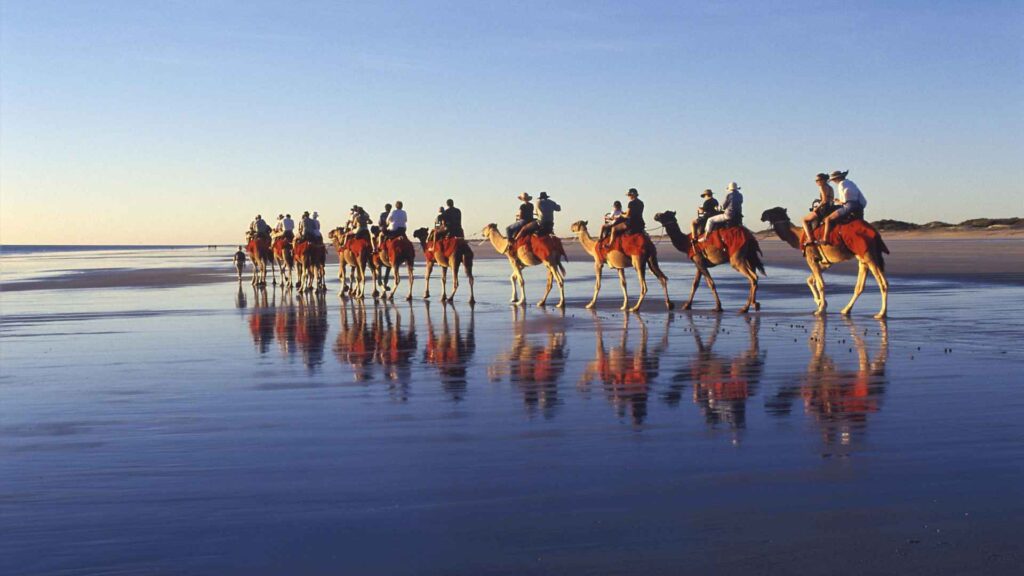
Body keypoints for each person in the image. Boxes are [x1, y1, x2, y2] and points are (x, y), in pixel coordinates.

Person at [821, 170, 867, 243]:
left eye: (833, 180)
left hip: (849, 207)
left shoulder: (841, 184)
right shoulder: (851, 183)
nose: (833, 182)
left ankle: (825, 239)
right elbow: (861, 199)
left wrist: (837, 201)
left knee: (828, 219)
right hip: (859, 207)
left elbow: (844, 201)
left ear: (836, 179)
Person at [802, 173, 835, 247]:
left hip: (824, 208)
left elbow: (824, 200)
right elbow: (831, 199)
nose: (817, 182)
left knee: (803, 220)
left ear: (823, 180)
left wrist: (816, 208)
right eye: (816, 180)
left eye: (818, 180)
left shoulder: (822, 187)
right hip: (830, 207)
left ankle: (810, 238)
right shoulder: (830, 187)